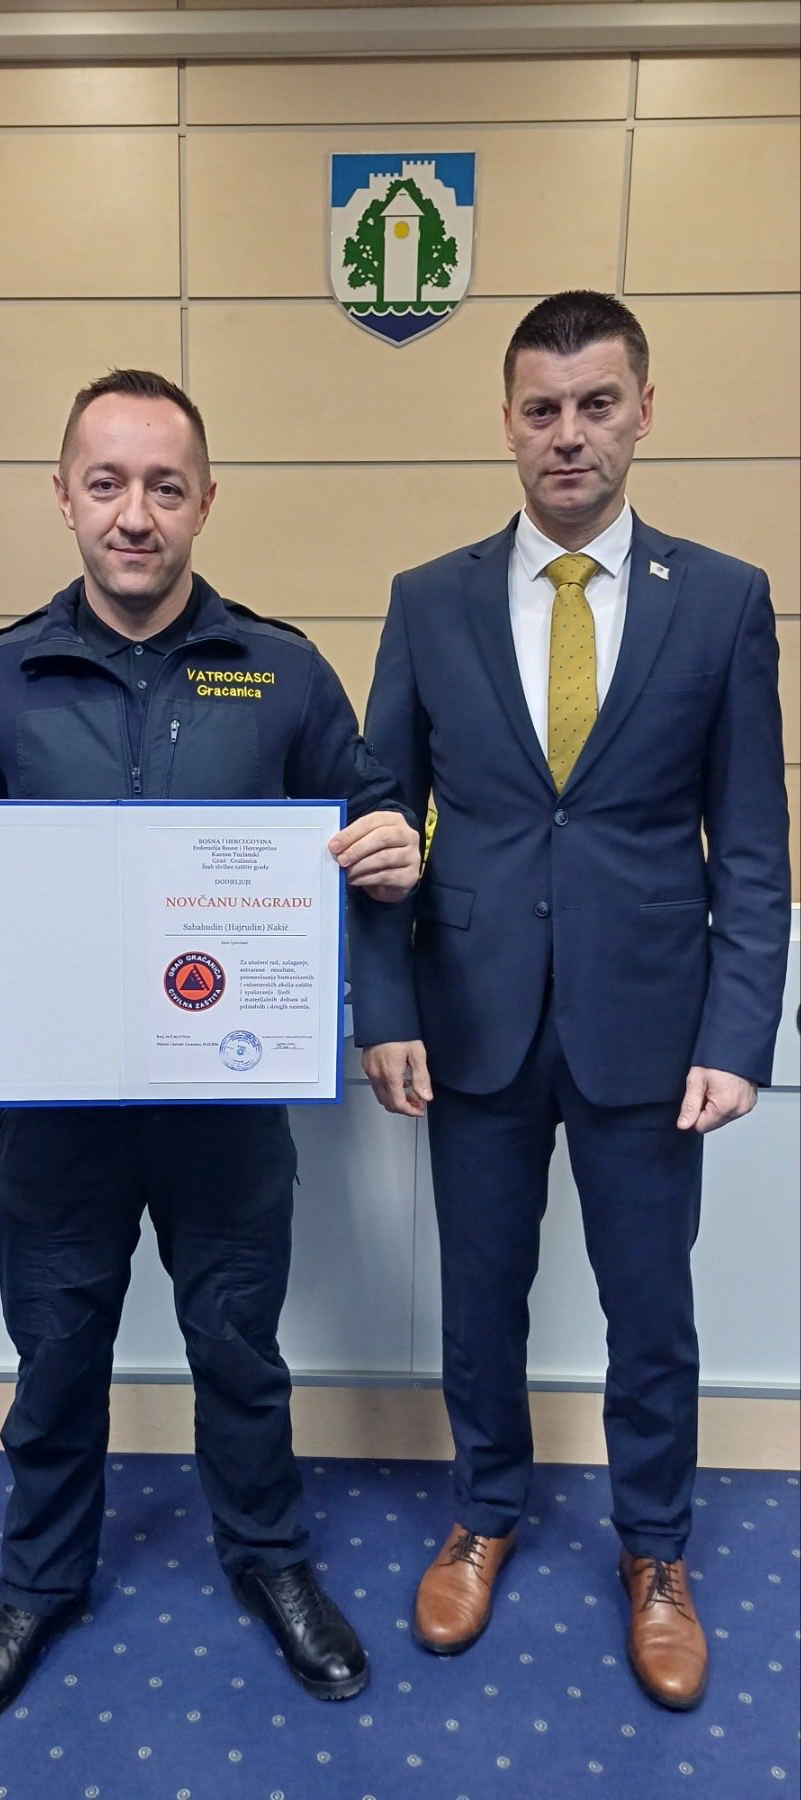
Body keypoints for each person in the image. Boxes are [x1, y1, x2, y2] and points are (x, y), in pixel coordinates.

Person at [0, 368, 420, 1725]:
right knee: (54, 1355)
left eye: (165, 486)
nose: (135, 514)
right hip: (54, 1110)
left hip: (225, 1101)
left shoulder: (281, 671)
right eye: (106, 484)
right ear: (64, 498)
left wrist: (397, 847)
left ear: (206, 501)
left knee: (238, 1348)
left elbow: (372, 813)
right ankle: (37, 1583)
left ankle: (269, 1560)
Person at [350, 291, 791, 1710]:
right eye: (541, 409)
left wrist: (739, 1033)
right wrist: (382, 1007)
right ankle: (483, 1512)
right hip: (470, 1016)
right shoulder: (427, 599)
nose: (568, 434)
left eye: (597, 404)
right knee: (480, 1298)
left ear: (643, 412)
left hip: (651, 1028)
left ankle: (655, 1551)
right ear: (505, 422)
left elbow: (753, 845)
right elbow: (376, 825)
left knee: (650, 1308)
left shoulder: (722, 599)